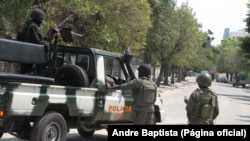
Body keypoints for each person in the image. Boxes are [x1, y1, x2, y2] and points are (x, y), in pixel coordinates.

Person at [18, 8, 46, 74]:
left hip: (25, 51)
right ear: (39, 19)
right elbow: (35, 41)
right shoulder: (33, 26)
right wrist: (44, 44)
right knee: (45, 62)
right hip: (30, 53)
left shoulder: (28, 24)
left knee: (24, 70)